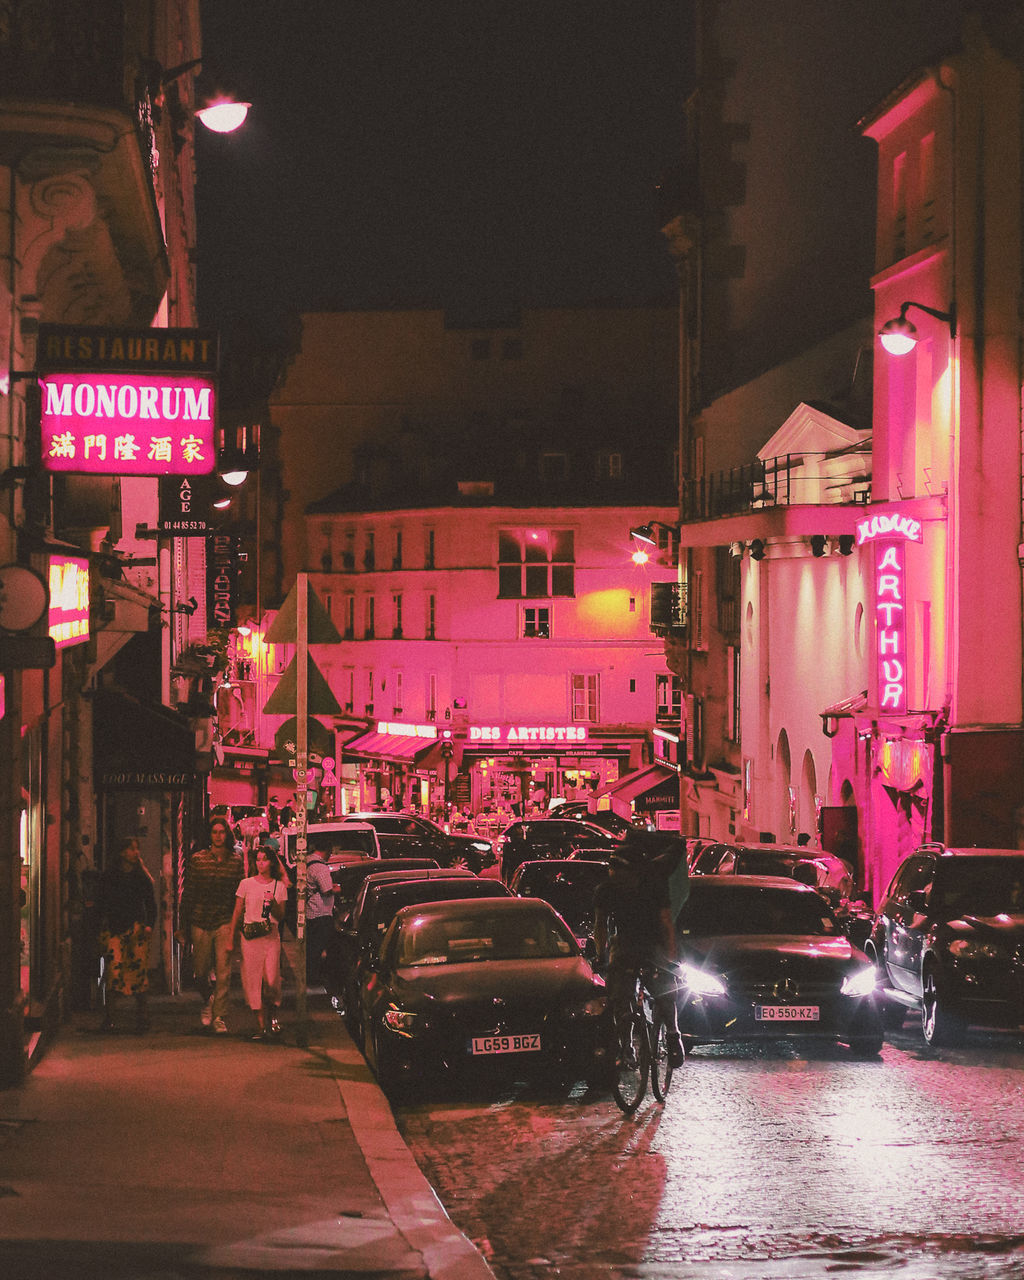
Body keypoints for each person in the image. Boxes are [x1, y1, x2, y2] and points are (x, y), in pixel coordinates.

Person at [593, 832, 686, 1069]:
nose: (614, 876)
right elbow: (600, 926)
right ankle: (626, 1046)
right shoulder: (606, 890)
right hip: (624, 941)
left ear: (634, 872)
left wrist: (671, 956)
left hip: (653, 942)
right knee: (620, 997)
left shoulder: (654, 885)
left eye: (619, 872)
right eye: (612, 871)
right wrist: (600, 955)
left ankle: (674, 1035)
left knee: (665, 990)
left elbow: (666, 923)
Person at [175, 816, 244, 1033]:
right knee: (200, 971)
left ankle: (219, 1017)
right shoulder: (198, 859)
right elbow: (189, 893)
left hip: (224, 919)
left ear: (227, 834)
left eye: (222, 832)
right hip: (200, 919)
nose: (218, 836)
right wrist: (183, 926)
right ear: (210, 835)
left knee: (224, 972)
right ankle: (209, 998)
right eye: (214, 832)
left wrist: (237, 924)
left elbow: (239, 894)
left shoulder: (235, 860)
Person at [96, 836, 156, 1034]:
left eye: (137, 848)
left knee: (139, 973)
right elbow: (102, 901)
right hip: (115, 929)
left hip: (136, 928)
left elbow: (150, 902)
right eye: (131, 849)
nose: (135, 852)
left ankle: (143, 1017)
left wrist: (149, 925)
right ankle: (110, 1017)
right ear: (122, 852)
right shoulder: (110, 875)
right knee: (114, 972)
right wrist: (101, 925)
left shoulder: (141, 876)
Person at [229, 841, 287, 1040]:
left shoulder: (279, 886)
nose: (261, 863)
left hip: (271, 937)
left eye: (265, 860)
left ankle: (273, 1016)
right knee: (253, 981)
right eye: (258, 860)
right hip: (250, 937)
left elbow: (281, 916)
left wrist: (272, 905)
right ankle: (261, 1025)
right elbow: (237, 911)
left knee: (271, 980)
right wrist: (231, 937)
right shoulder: (246, 884)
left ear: (271, 863)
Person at [304, 842, 337, 987]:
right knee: (318, 947)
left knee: (312, 946)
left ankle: (311, 975)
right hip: (321, 911)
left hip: (310, 911)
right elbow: (326, 890)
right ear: (327, 850)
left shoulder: (307, 861)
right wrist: (339, 889)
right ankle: (314, 978)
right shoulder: (320, 867)